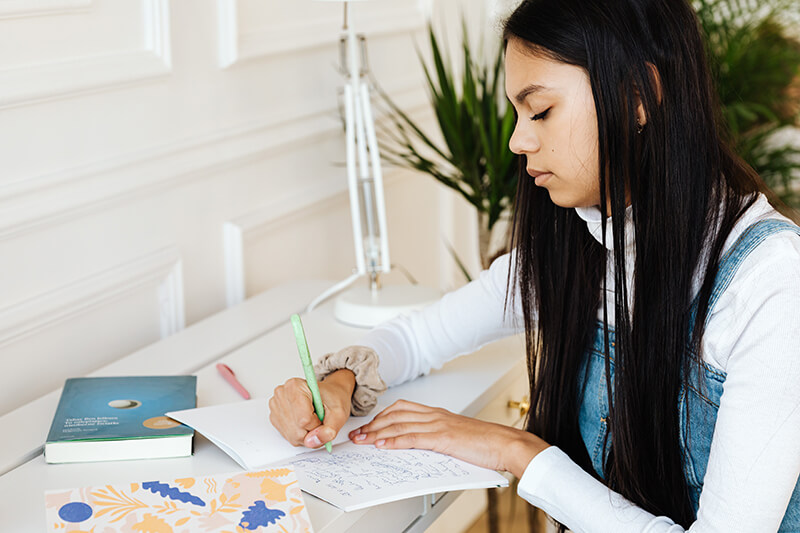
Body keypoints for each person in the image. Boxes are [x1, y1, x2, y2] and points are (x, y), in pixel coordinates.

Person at [269, 0, 800, 530]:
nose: (517, 141)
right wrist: (338, 383)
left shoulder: (770, 282)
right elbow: (418, 338)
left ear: (640, 96)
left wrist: (517, 451)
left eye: (540, 110)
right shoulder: (580, 237)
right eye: (518, 114)